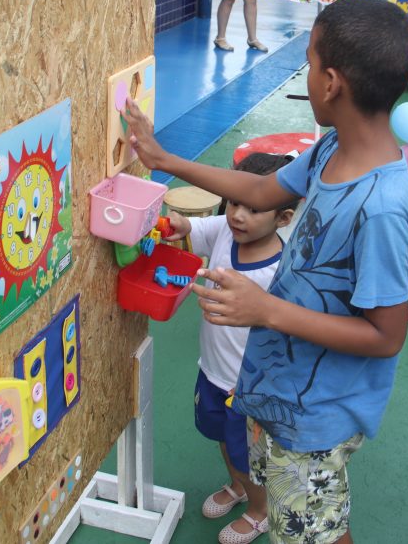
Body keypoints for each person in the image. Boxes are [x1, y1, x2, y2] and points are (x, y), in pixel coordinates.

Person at [124, 0, 408, 544]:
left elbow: (386, 336)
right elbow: (262, 189)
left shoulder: (382, 206)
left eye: (309, 62)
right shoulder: (332, 148)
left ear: (330, 82)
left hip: (317, 413)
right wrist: (164, 160)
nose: (306, 74)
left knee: (313, 532)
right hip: (283, 389)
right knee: (303, 519)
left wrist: (266, 310)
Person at [166, 153, 296, 544]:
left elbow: (289, 335)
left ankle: (259, 511)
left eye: (253, 209)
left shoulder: (280, 271)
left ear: (283, 218)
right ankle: (238, 486)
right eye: (235, 201)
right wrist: (180, 225)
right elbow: (196, 229)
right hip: (213, 371)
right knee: (223, 437)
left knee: (249, 455)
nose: (238, 215)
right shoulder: (226, 229)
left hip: (250, 388)